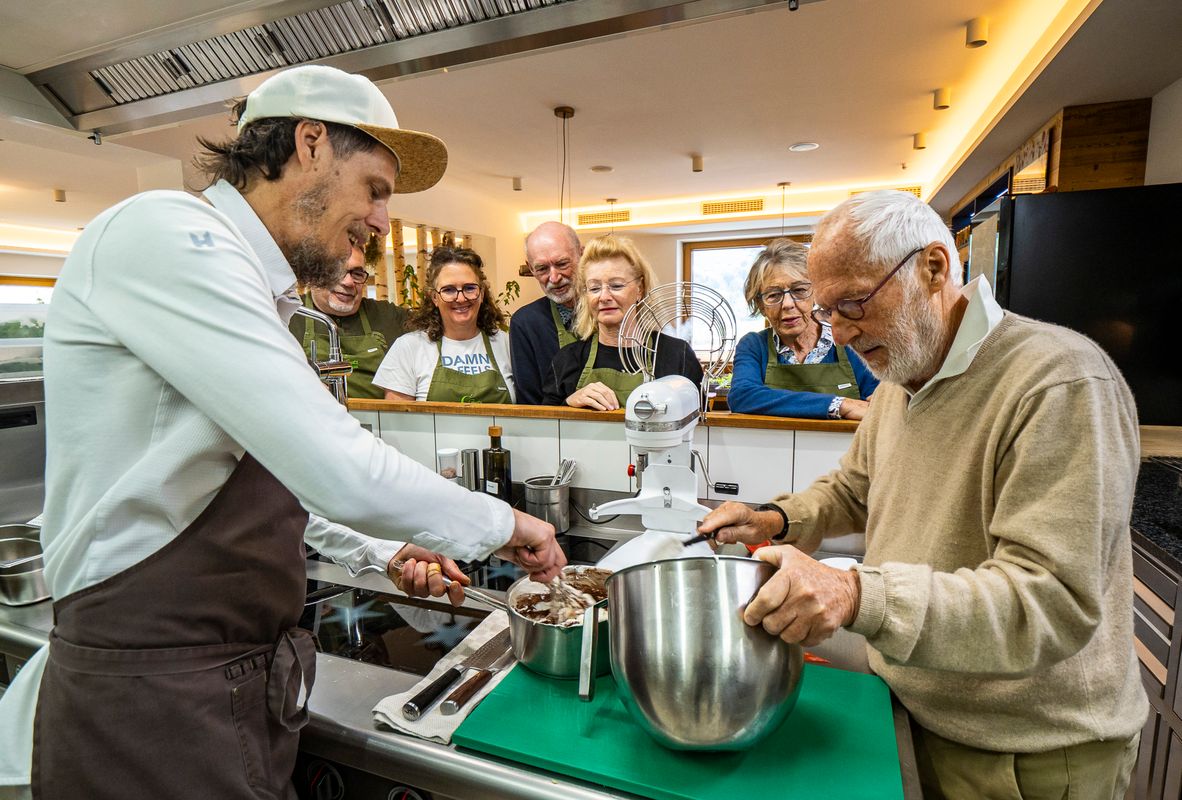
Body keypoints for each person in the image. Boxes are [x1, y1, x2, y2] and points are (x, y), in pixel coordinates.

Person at [0, 64, 565, 800]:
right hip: (157, 695)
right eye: (376, 188)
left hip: (228, 685)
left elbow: (267, 478)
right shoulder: (167, 233)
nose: (382, 222)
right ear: (308, 143)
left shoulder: (252, 288)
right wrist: (508, 524)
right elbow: (337, 465)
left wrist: (384, 548)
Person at [698, 190, 1146, 799]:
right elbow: (855, 489)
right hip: (914, 712)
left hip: (1025, 754)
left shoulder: (1058, 382)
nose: (842, 332)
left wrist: (856, 592)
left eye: (853, 303)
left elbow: (1048, 601)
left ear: (934, 268)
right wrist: (773, 517)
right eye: (828, 311)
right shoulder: (902, 378)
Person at [542, 235, 703, 409]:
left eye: (616, 286)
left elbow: (703, 427)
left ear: (639, 289)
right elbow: (546, 428)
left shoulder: (677, 355)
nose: (603, 297)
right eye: (594, 288)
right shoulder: (568, 360)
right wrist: (569, 403)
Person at [727, 238, 878, 419]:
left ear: (816, 293)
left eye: (799, 290)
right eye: (773, 295)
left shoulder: (849, 341)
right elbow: (742, 397)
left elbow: (878, 402)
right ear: (761, 305)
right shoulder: (754, 346)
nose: (787, 304)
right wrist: (839, 404)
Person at [373, 246, 514, 402]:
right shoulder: (409, 348)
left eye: (469, 288)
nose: (460, 299)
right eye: (449, 290)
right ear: (434, 297)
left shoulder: (506, 344)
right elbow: (398, 421)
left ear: (481, 294)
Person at [288, 239, 409, 399]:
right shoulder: (288, 315)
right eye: (336, 270)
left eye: (357, 274)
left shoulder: (389, 316)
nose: (348, 282)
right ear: (314, 273)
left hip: (379, 421)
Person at [509, 221, 582, 404]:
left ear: (581, 254)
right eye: (542, 268)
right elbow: (530, 403)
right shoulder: (525, 323)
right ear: (531, 268)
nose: (554, 278)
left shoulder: (608, 309)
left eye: (562, 264)